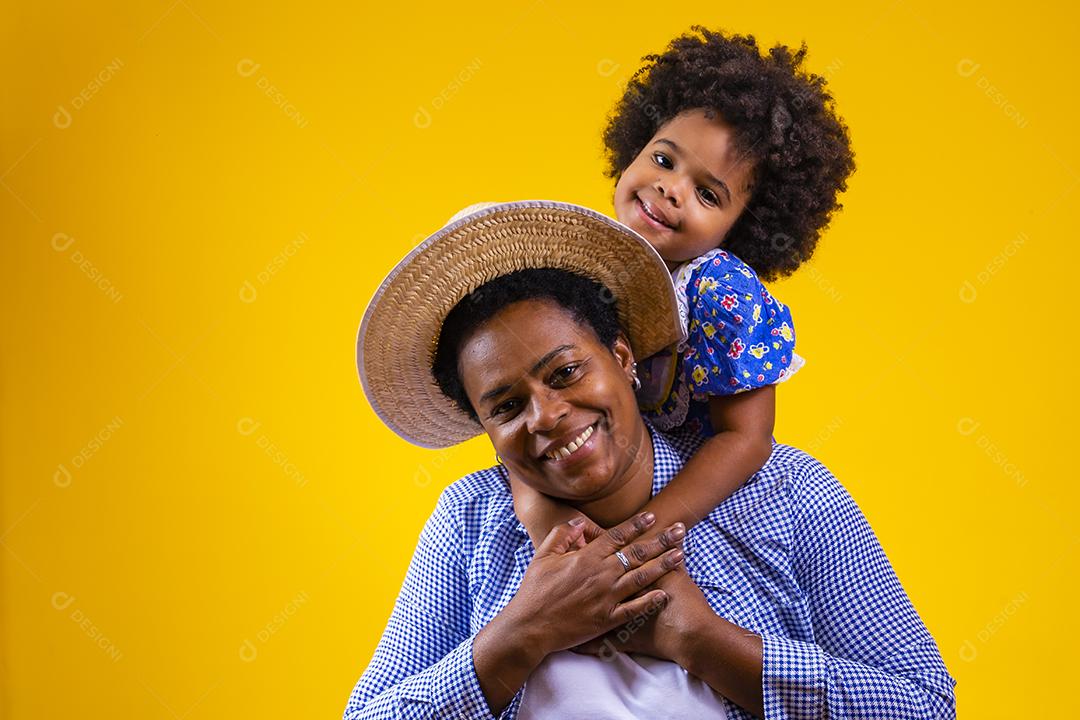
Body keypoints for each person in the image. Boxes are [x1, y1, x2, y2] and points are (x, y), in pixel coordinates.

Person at [346, 201, 955, 719]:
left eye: (565, 372)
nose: (546, 416)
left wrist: (705, 642)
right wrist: (523, 632)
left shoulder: (787, 493)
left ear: (623, 356)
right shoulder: (471, 520)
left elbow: (927, 705)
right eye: (506, 407)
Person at [510, 27, 857, 555]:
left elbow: (746, 440)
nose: (670, 188)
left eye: (707, 194)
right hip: (586, 471)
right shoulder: (584, 264)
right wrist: (553, 531)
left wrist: (637, 539)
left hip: (683, 498)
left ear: (741, 228)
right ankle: (551, 547)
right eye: (665, 160)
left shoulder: (720, 291)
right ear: (634, 146)